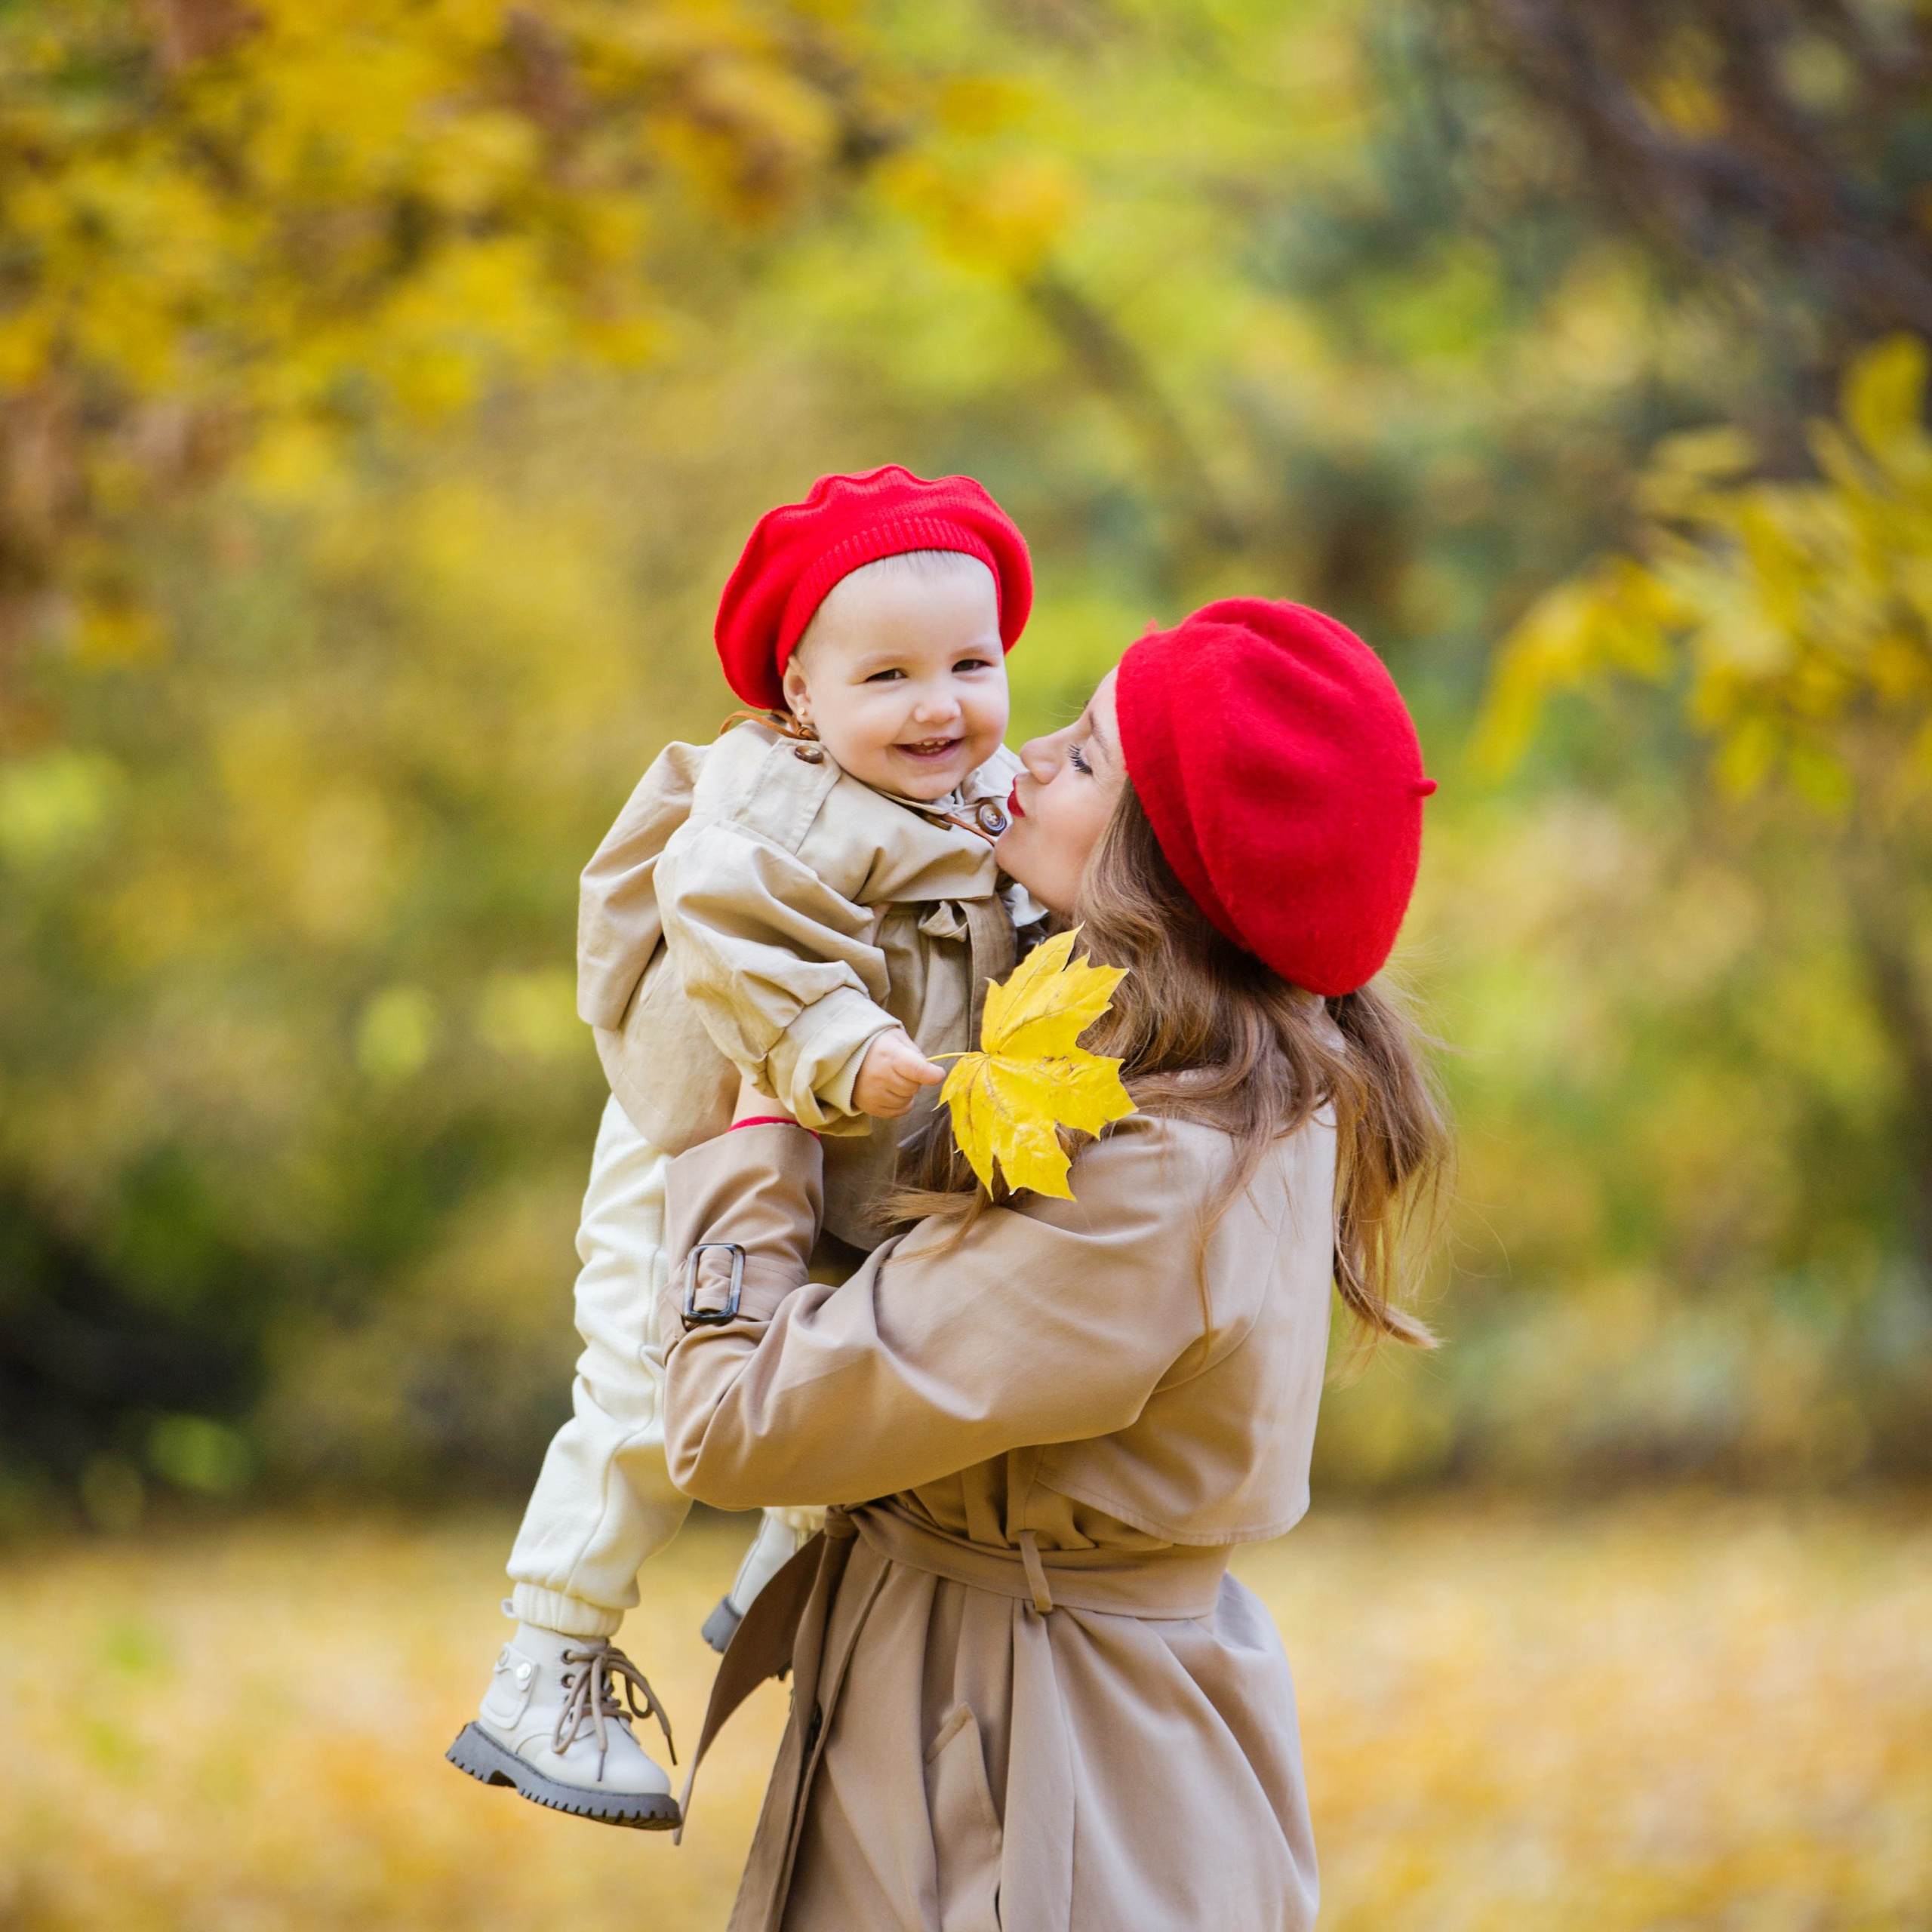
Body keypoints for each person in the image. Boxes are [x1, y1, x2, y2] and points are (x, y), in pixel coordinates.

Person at [656, 598, 1448, 1930]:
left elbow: (736, 1424)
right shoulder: (1185, 1074)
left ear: (1167, 874)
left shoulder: (1156, 1178)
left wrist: (757, 1112)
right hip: (981, 1704)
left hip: (1046, 1770)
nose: (1019, 760)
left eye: (1081, 761)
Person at [448, 467, 1042, 1829]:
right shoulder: (769, 801)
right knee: (653, 1393)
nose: (940, 704)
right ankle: (546, 1661)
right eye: (887, 675)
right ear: (800, 697)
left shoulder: (988, 798)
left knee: (857, 1359)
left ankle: (777, 1569)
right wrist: (840, 1044)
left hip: (846, 1177)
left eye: (972, 660)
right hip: (702, 1159)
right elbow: (742, 939)